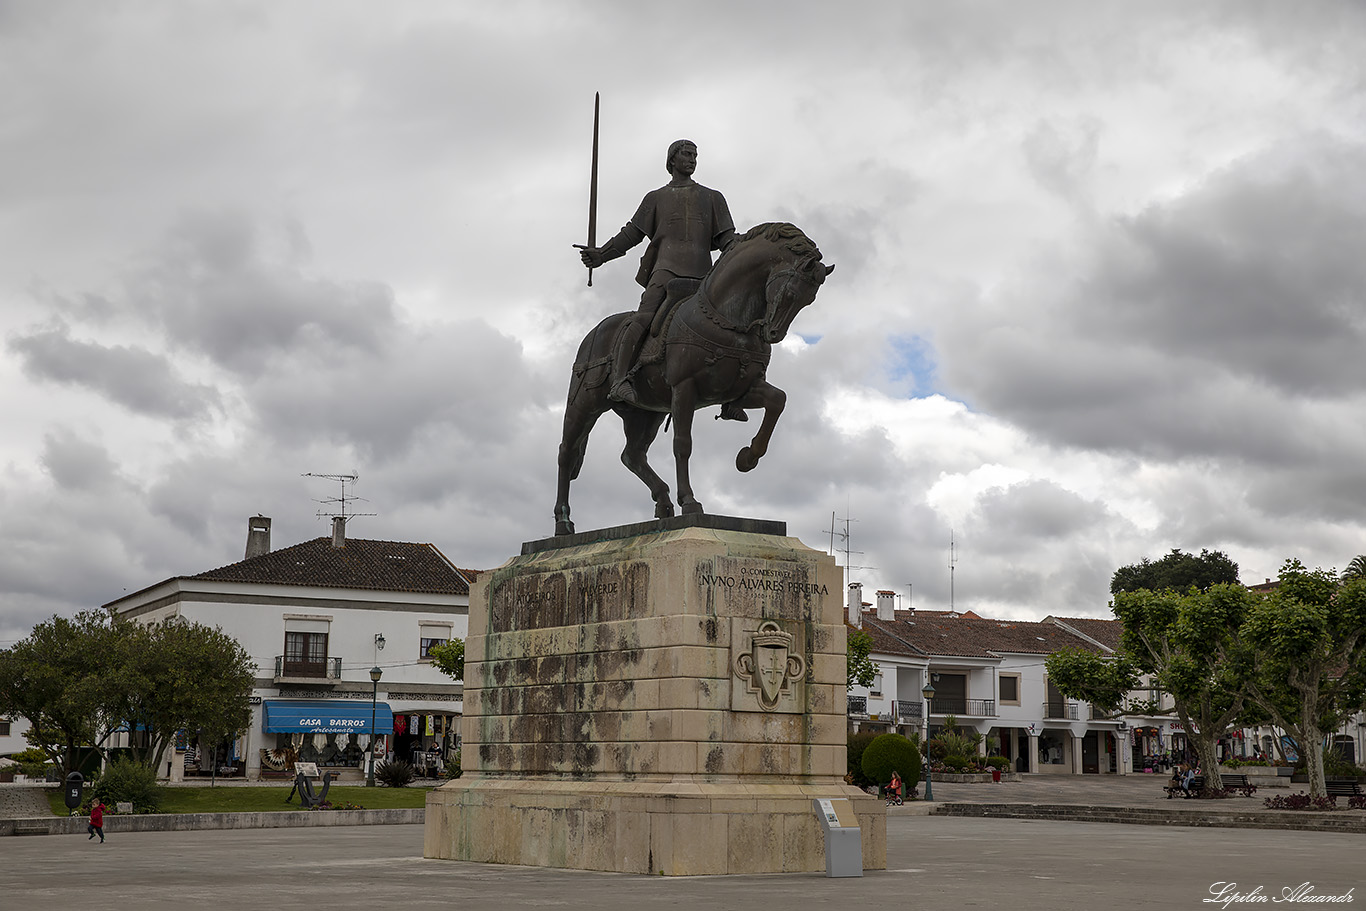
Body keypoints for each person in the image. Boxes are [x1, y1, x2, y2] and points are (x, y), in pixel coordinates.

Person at [578, 139, 737, 408]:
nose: (692, 159)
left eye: (695, 155)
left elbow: (727, 240)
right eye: (686, 154)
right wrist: (602, 255)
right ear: (672, 160)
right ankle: (620, 380)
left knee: (733, 323)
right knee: (643, 319)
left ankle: (733, 394)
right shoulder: (655, 198)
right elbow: (631, 235)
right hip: (665, 272)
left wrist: (749, 244)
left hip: (704, 277)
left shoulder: (713, 197)